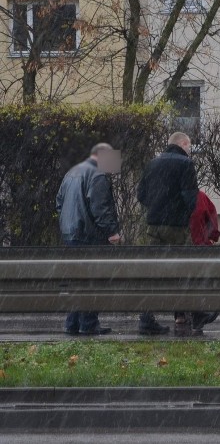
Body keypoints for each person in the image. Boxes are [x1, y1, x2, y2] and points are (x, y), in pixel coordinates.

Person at [136, 131, 199, 336]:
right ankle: (182, 313)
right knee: (182, 269)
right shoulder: (185, 164)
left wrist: (157, 207)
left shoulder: (152, 163)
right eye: (189, 146)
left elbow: (141, 195)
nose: (190, 150)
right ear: (183, 143)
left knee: (152, 271)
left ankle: (146, 317)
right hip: (176, 226)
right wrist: (183, 213)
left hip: (153, 224)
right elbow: (190, 197)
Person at [56, 142, 122, 336]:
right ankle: (89, 324)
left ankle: (72, 323)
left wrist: (67, 223)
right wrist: (112, 232)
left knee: (77, 280)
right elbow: (100, 207)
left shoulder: (72, 172)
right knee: (92, 281)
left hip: (70, 233)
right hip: (89, 235)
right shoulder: (97, 175)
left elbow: (59, 203)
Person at [186, 189, 220, 335]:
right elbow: (211, 215)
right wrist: (211, 236)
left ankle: (180, 315)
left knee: (182, 278)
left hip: (175, 248)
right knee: (196, 278)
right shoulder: (198, 196)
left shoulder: (168, 195)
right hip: (197, 246)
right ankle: (196, 315)